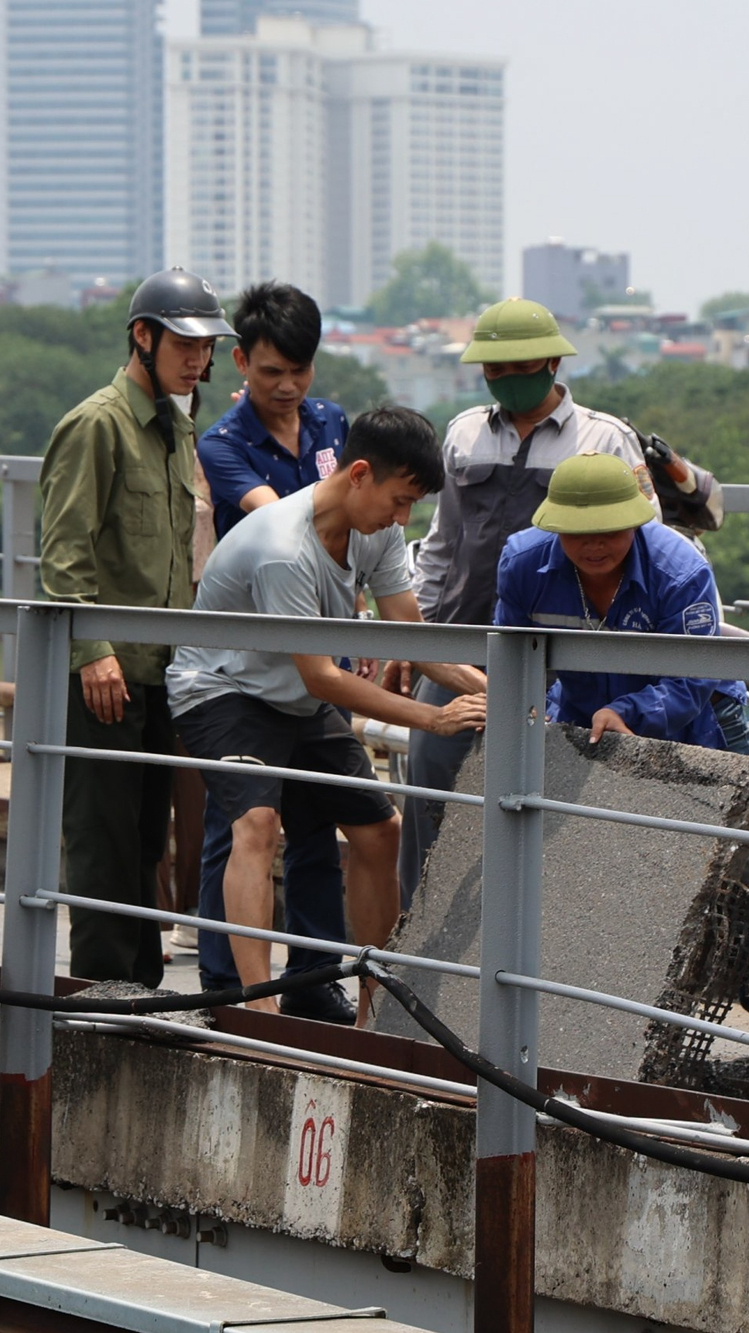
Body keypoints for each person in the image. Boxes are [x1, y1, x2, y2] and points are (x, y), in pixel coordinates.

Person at [167, 407, 488, 1022]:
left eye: (411, 506)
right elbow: (324, 675)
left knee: (379, 829)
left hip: (294, 691)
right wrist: (435, 719)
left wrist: (489, 690)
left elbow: (409, 631)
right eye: (399, 501)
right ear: (360, 474)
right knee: (257, 825)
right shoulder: (283, 546)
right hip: (224, 686)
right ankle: (256, 1012)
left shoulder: (379, 528)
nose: (403, 519)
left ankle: (374, 1010)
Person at [494, 454, 749, 1049]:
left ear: (637, 522)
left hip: (699, 717)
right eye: (578, 534)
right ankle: (592, 1008)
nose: (594, 547)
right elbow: (515, 660)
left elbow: (691, 678)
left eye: (610, 532)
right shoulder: (521, 564)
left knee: (748, 865)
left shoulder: (679, 568)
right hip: (582, 716)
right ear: (554, 528)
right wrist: (520, 720)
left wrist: (631, 714)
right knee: (589, 857)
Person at [397, 299, 652, 899]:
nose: (508, 379)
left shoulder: (605, 439)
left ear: (554, 360)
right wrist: (414, 635)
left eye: (521, 365)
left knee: (548, 813)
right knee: (431, 800)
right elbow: (441, 544)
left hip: (557, 656)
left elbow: (642, 543)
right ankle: (418, 954)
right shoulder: (462, 434)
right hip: (461, 649)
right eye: (495, 368)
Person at [38, 267, 235, 987]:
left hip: (161, 673)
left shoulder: (178, 428)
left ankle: (140, 991)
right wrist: (93, 652)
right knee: (103, 843)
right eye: (184, 341)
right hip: (106, 674)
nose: (198, 358)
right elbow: (64, 557)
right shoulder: (97, 424)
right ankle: (98, 994)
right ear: (142, 337)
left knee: (150, 838)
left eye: (207, 345)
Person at [190, 281, 360, 1021]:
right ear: (240, 363)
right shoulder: (225, 445)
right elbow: (288, 519)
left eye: (300, 369)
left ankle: (313, 976)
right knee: (242, 821)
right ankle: (228, 980)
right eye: (270, 373)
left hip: (318, 653)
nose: (287, 387)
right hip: (247, 666)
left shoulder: (330, 424)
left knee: (320, 820)